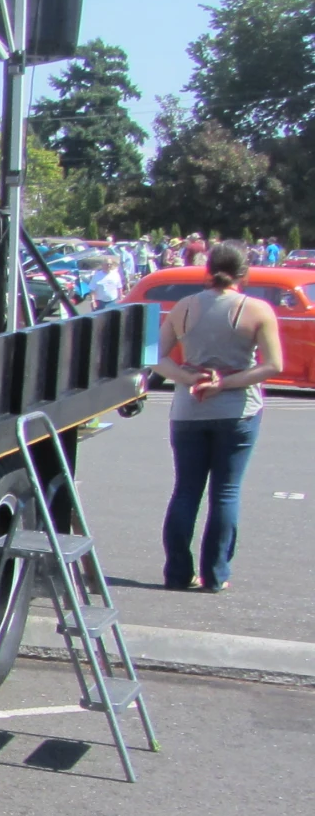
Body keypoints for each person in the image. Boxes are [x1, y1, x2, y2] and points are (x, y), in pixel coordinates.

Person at [153, 241, 283, 592]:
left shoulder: (183, 307)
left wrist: (188, 378)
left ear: (207, 269)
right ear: (245, 273)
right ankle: (215, 574)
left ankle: (178, 574)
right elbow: (274, 365)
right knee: (225, 492)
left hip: (189, 409)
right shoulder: (257, 309)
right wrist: (225, 382)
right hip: (237, 410)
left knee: (185, 491)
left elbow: (154, 354)